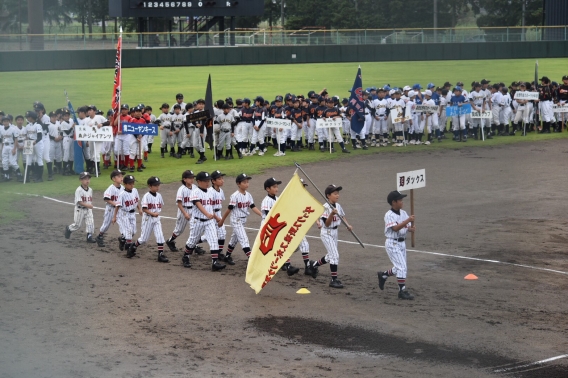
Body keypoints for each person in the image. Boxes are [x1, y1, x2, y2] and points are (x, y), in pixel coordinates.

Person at [261, 177, 312, 276]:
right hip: (269, 228)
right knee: (281, 245)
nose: (277, 188)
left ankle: (292, 264)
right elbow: (269, 218)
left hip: (278, 225)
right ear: (268, 189)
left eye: (277, 186)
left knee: (289, 245)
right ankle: (288, 266)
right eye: (274, 186)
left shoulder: (277, 199)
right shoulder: (266, 201)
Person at [308, 185, 353, 289]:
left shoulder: (338, 206)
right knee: (335, 255)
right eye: (335, 193)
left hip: (334, 232)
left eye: (338, 193)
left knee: (330, 256)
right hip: (327, 233)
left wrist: (348, 225)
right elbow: (327, 224)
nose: (337, 195)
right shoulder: (325, 207)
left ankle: (314, 265)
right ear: (328, 195)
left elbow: (342, 216)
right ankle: (334, 280)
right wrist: (332, 214)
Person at [377, 191, 416, 300]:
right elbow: (395, 228)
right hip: (392, 243)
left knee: (400, 267)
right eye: (400, 200)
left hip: (402, 243)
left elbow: (405, 227)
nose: (402, 202)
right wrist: (408, 220)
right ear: (393, 202)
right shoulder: (389, 215)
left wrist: (410, 228)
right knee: (402, 267)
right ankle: (402, 291)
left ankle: (383, 275)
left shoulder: (403, 213)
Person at [182, 171, 224, 270]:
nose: (207, 182)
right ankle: (186, 256)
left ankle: (215, 263)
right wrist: (207, 214)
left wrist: (216, 217)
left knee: (214, 240)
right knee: (193, 241)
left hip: (209, 222)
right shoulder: (195, 192)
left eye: (208, 180)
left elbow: (210, 207)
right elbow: (198, 204)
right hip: (197, 221)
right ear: (199, 181)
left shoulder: (210, 191)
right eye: (205, 181)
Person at [219, 173, 262, 263]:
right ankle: (252, 260)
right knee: (243, 238)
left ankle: (227, 256)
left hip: (243, 220)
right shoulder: (235, 196)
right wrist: (222, 220)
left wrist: (262, 214)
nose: (247, 184)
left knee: (234, 239)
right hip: (236, 220)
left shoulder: (248, 195)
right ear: (238, 184)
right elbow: (228, 209)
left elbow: (253, 206)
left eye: (247, 182)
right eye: (244, 182)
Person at [127, 176, 169, 262]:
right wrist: (153, 213)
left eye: (158, 185)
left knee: (160, 236)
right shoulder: (146, 196)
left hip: (156, 219)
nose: (158, 187)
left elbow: (159, 206)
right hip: (148, 219)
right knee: (144, 239)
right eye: (155, 185)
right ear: (150, 186)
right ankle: (133, 246)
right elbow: (144, 209)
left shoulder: (159, 196)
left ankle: (160, 255)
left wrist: (156, 214)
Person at [166, 170, 195, 252]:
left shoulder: (195, 187)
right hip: (184, 210)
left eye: (192, 177)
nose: (192, 179)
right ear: (184, 179)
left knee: (195, 228)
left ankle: (194, 245)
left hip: (193, 210)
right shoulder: (181, 189)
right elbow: (179, 203)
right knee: (179, 230)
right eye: (190, 178)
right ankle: (170, 241)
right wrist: (185, 213)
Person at [64, 172, 97, 243]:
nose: (87, 180)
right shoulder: (78, 190)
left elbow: (89, 200)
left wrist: (89, 206)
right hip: (80, 209)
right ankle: (69, 229)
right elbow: (79, 202)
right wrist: (89, 205)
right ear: (81, 180)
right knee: (77, 225)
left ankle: (89, 237)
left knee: (90, 223)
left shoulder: (90, 190)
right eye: (85, 179)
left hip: (88, 210)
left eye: (88, 179)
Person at [113, 174, 142, 254]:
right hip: (124, 214)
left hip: (133, 214)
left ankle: (123, 239)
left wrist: (139, 209)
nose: (132, 185)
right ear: (125, 184)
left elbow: (136, 201)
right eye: (130, 183)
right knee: (129, 231)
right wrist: (114, 217)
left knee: (133, 231)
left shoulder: (135, 190)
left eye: (133, 183)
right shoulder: (122, 194)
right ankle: (129, 249)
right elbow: (117, 206)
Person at [95, 169, 124, 247]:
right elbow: (106, 198)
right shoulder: (111, 188)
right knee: (106, 225)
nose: (121, 178)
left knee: (123, 224)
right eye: (119, 176)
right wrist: (115, 204)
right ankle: (100, 236)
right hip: (110, 209)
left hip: (119, 210)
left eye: (122, 176)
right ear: (114, 179)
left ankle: (123, 238)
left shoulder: (123, 188)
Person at [24, 110, 44, 182]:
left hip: (38, 143)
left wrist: (35, 142)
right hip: (30, 143)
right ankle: (27, 178)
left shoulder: (38, 125)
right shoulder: (27, 126)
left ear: (31, 117)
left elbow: (40, 137)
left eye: (28, 117)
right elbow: (27, 136)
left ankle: (39, 178)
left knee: (39, 159)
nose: (27, 118)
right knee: (28, 160)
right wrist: (26, 142)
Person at [0, 116, 22, 182]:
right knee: (4, 162)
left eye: (7, 121)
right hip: (5, 146)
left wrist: (14, 149)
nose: (5, 122)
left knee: (12, 162)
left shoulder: (13, 129)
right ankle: (6, 176)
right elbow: (2, 140)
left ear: (9, 122)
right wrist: (2, 149)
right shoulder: (1, 130)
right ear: (2, 122)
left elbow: (16, 139)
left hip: (11, 146)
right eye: (4, 121)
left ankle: (19, 174)